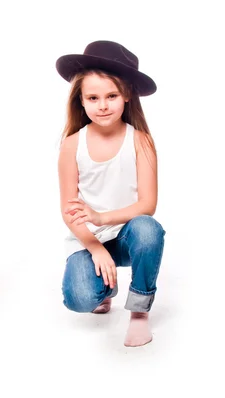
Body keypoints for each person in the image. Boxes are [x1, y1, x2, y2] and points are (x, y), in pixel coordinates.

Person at [56, 41, 165, 347]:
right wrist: (95, 247)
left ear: (127, 95)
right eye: (93, 97)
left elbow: (148, 205)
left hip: (129, 235)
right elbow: (68, 209)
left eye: (111, 96)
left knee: (148, 230)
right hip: (89, 240)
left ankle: (139, 311)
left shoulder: (141, 141)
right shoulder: (71, 145)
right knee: (80, 299)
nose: (102, 105)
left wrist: (102, 216)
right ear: (81, 100)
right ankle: (104, 288)